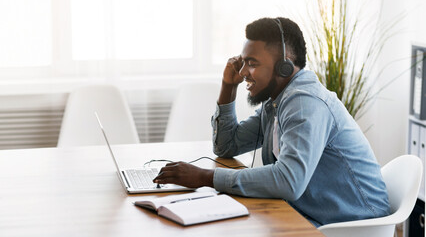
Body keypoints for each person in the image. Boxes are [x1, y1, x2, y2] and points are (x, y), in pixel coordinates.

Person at [154, 17, 390, 226]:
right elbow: (226, 146)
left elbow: (289, 181)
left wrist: (205, 177)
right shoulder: (277, 102)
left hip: (352, 223)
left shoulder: (304, 103)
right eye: (243, 62)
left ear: (284, 66)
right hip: (311, 214)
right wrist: (228, 86)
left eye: (253, 63)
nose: (243, 71)